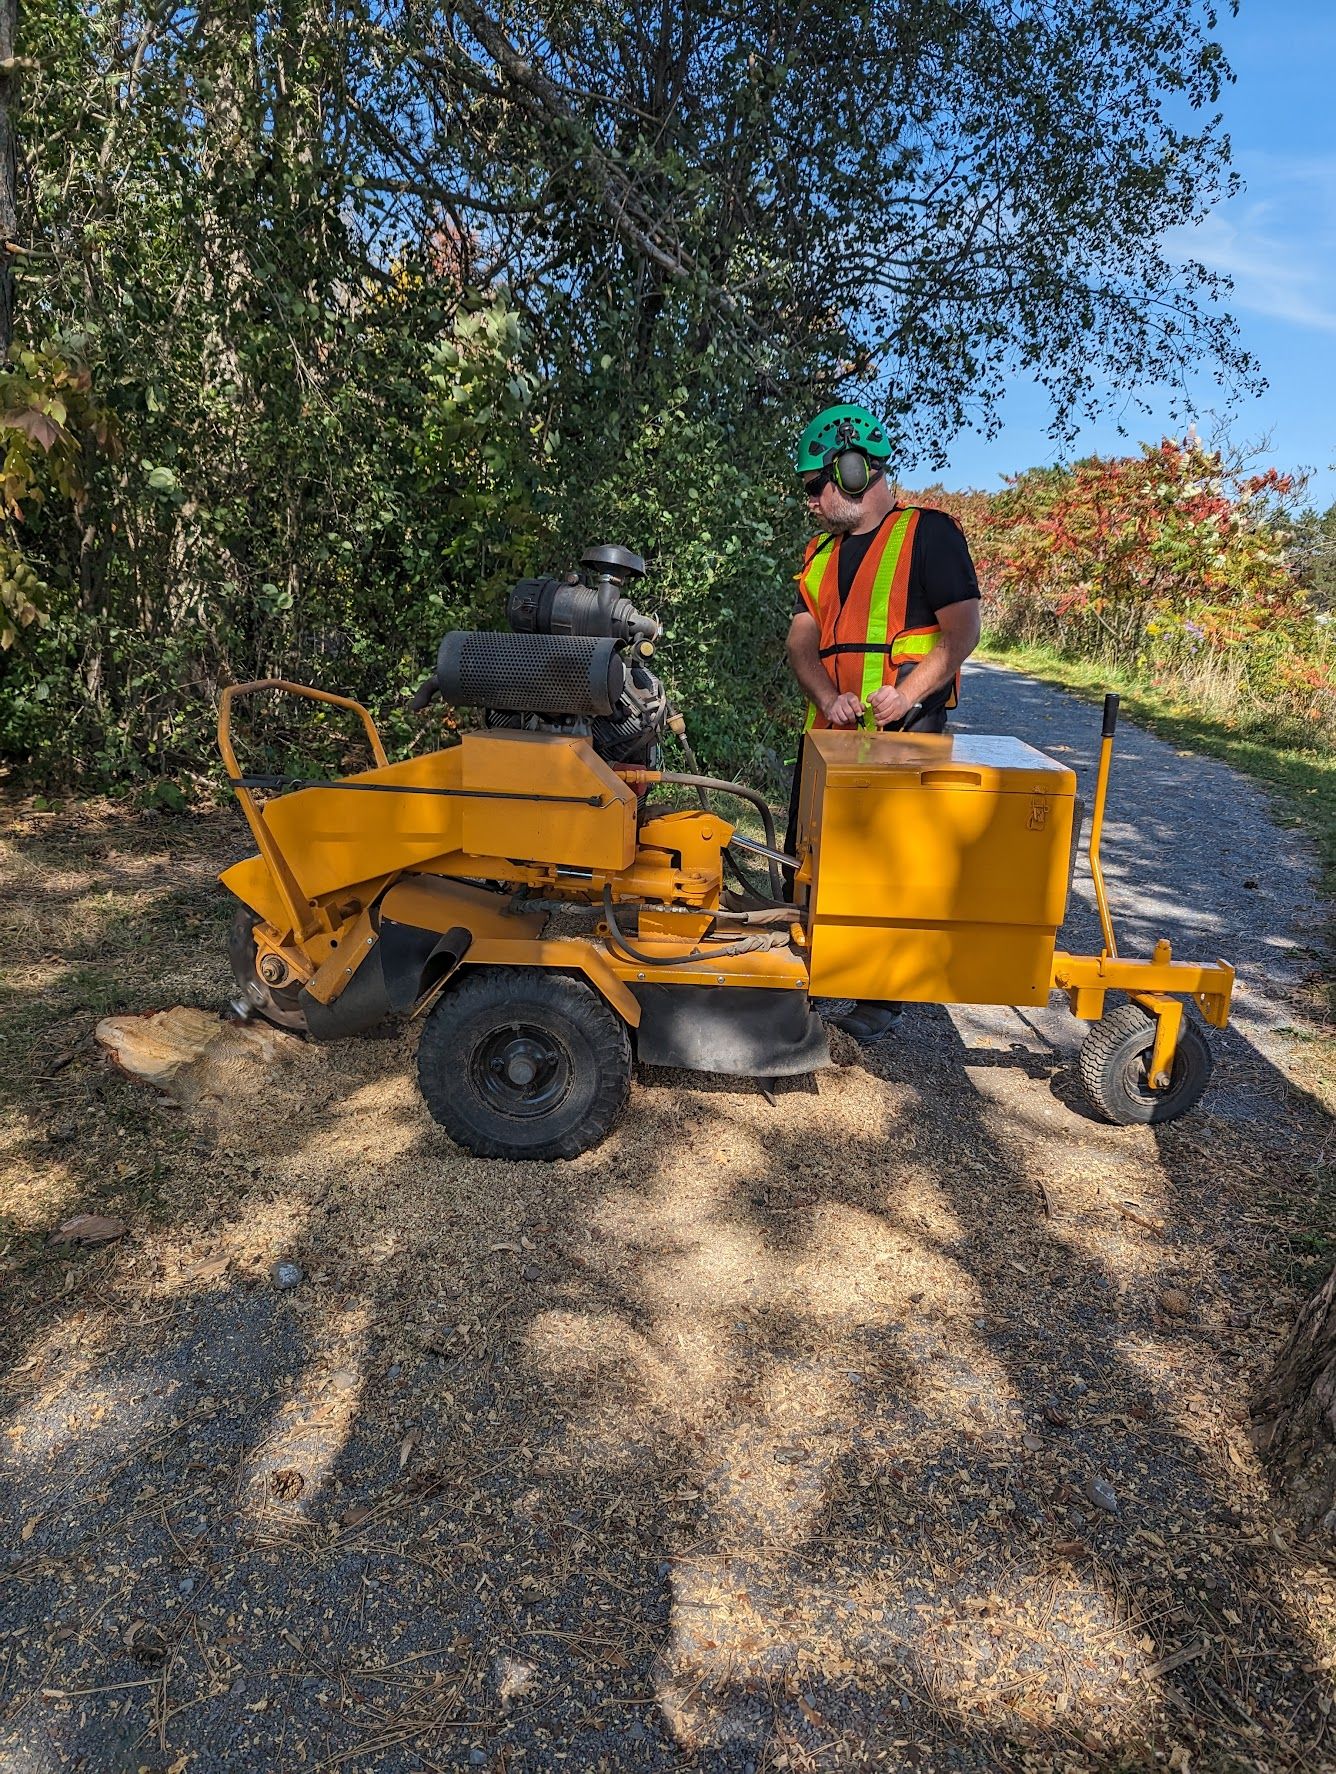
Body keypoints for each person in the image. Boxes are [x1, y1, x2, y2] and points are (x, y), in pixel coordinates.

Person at [784, 402, 981, 1043]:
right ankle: (820, 965)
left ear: (852, 470)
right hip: (832, 732)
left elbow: (961, 633)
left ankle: (881, 994)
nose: (811, 501)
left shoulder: (931, 534)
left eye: (816, 486)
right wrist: (826, 692)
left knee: (889, 866)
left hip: (902, 734)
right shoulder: (817, 556)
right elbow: (800, 647)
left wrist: (906, 693)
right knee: (810, 856)